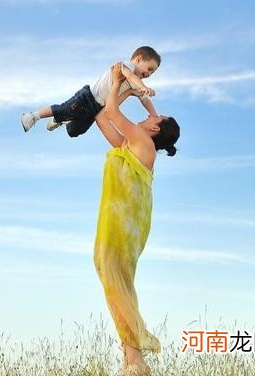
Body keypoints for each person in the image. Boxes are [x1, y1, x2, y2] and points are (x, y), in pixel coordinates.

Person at [93, 63, 180, 376]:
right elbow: (103, 116)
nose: (147, 117)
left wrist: (119, 83)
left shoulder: (144, 145)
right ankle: (130, 359)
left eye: (152, 117)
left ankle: (136, 360)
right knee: (118, 285)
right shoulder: (130, 146)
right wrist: (124, 88)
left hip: (123, 228)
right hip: (115, 226)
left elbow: (114, 113)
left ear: (155, 129)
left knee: (117, 284)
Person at [21, 46, 160, 138]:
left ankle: (59, 119)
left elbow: (145, 99)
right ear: (138, 59)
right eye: (149, 68)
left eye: (153, 72)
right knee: (64, 108)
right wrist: (143, 87)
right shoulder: (125, 66)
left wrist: (154, 116)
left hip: (98, 108)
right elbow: (130, 76)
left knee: (75, 131)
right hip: (88, 97)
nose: (149, 74)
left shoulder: (136, 84)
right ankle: (33, 116)